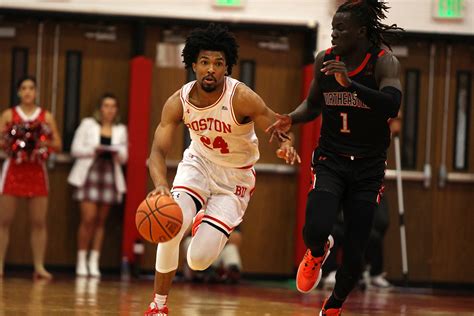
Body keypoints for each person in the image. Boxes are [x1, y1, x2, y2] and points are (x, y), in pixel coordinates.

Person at [144, 23, 299, 315]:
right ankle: (158, 305)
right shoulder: (178, 102)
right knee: (171, 228)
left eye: (218, 63)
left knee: (198, 260)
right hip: (198, 165)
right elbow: (157, 152)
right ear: (193, 65)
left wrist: (286, 145)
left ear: (227, 67)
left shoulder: (241, 97)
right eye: (204, 62)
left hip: (235, 178)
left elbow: (277, 127)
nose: (210, 69)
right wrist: (160, 184)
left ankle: (203, 218)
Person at [269, 1, 403, 314]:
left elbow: (391, 106)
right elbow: (314, 104)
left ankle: (333, 306)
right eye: (333, 28)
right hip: (332, 158)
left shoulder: (384, 62)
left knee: (356, 253)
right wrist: (292, 118)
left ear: (360, 31)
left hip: (368, 168)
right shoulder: (324, 60)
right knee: (316, 227)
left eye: (341, 29)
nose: (334, 33)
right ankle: (318, 251)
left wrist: (351, 85)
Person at [0, 76, 62, 279]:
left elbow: (58, 144)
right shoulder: (9, 114)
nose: (27, 92)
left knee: (38, 221)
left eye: (31, 88)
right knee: (4, 221)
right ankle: (0, 265)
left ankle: (39, 266)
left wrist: (42, 143)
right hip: (13, 171)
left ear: (36, 92)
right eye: (23, 88)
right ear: (18, 92)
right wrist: (12, 141)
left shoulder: (46, 116)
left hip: (37, 171)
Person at [68, 93, 128, 277]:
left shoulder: (120, 129)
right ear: (100, 108)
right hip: (90, 172)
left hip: (109, 174)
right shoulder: (88, 124)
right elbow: (75, 149)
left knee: (101, 221)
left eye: (113, 106)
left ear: (116, 110)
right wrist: (93, 149)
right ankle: (81, 260)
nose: (109, 110)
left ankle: (94, 261)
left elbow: (125, 157)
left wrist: (116, 152)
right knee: (88, 219)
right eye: (106, 106)